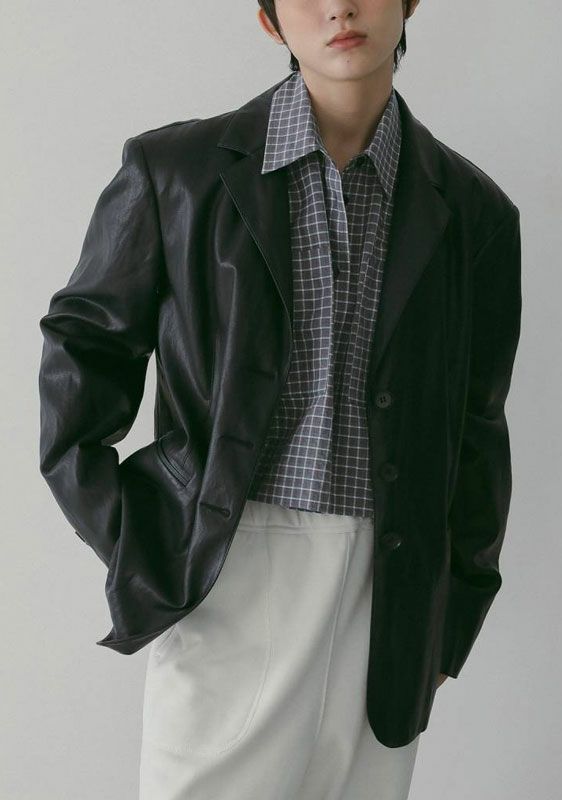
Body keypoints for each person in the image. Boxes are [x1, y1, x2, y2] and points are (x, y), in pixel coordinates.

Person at [38, 2, 522, 798]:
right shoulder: (178, 171)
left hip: (388, 587)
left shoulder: (475, 212)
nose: (339, 7)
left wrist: (452, 616)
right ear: (269, 21)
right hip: (226, 565)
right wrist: (138, 538)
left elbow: (479, 425)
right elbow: (84, 350)